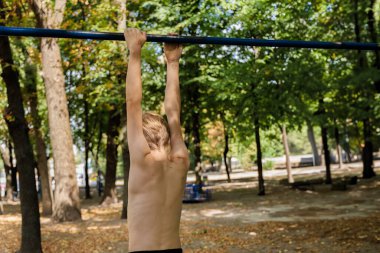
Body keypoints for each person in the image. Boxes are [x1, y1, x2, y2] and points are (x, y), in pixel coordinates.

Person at [124, 28, 190, 253]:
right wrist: (173, 62)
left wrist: (135, 52)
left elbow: (134, 102)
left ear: (141, 136)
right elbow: (173, 111)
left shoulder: (144, 158)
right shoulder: (180, 159)